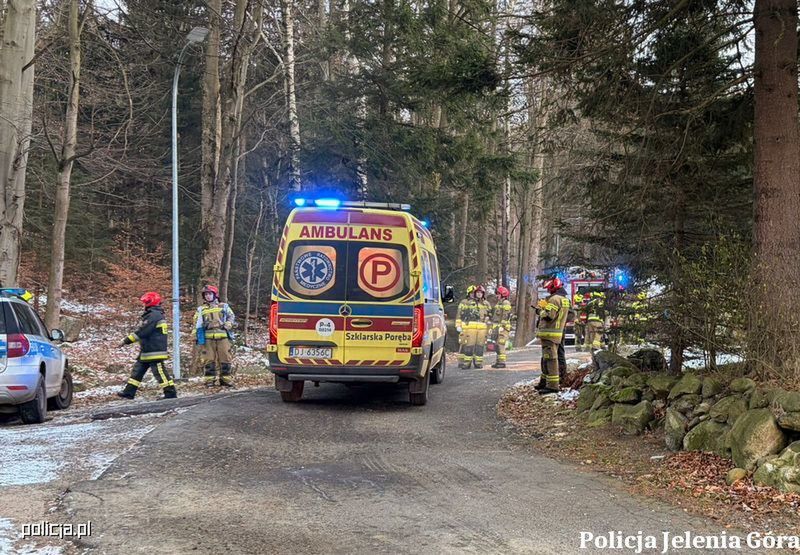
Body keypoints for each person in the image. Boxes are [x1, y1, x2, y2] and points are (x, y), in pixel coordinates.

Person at [117, 292, 177, 400]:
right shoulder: (153, 314)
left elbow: (142, 331)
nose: (143, 304)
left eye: (145, 302)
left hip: (154, 350)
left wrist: (125, 341)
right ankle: (129, 392)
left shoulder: (153, 315)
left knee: (159, 372)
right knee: (137, 371)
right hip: (148, 349)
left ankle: (170, 393)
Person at [534, 277, 570, 393]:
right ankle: (543, 382)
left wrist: (540, 310)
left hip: (550, 334)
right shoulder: (564, 299)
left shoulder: (554, 299)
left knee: (551, 359)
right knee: (546, 358)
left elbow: (550, 315)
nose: (548, 291)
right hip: (555, 334)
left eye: (549, 288)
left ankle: (553, 386)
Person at [195, 285, 236, 387]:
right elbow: (196, 323)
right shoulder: (201, 309)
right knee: (208, 359)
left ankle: (225, 380)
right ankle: (209, 381)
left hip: (223, 337)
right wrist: (196, 337)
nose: (208, 296)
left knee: (225, 358)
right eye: (206, 294)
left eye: (209, 294)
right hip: (208, 338)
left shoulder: (224, 306)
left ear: (215, 295)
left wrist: (228, 324)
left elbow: (231, 316)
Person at [455, 285, 491, 369]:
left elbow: (491, 314)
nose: (479, 294)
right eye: (477, 292)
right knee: (469, 345)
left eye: (480, 293)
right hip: (470, 327)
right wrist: (458, 325)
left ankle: (478, 363)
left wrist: (489, 325)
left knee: (480, 346)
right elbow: (460, 314)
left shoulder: (486, 303)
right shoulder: (468, 302)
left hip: (482, 327)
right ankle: (466, 363)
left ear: (483, 294)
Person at [491, 286, 513, 368]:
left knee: (500, 344)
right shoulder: (499, 303)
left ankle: (502, 362)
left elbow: (506, 315)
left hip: (503, 328)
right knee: (496, 345)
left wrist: (502, 326)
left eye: (498, 294)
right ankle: (498, 361)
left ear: (503, 294)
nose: (497, 295)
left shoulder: (506, 303)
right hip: (498, 327)